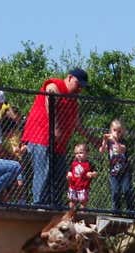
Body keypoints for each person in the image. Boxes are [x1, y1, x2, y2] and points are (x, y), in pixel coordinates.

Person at [22, 68, 90, 207]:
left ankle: (55, 205)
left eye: (82, 87)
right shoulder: (56, 85)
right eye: (78, 84)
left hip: (59, 145)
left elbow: (78, 124)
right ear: (70, 78)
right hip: (42, 138)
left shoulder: (73, 100)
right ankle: (39, 205)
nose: (80, 89)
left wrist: (93, 139)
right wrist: (55, 128)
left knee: (59, 175)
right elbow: (50, 96)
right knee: (44, 173)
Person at [99, 119, 133, 211]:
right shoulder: (109, 142)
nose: (116, 133)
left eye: (119, 131)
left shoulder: (123, 142)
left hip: (125, 172)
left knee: (126, 190)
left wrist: (114, 140)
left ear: (122, 132)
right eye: (114, 130)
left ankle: (131, 211)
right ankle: (116, 211)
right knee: (115, 191)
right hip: (114, 172)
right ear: (110, 130)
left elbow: (120, 149)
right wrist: (105, 140)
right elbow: (101, 151)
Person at [66, 143, 96, 211]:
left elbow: (95, 172)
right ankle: (71, 214)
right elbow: (69, 171)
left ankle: (82, 214)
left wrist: (92, 174)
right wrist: (69, 175)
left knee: (83, 201)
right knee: (72, 201)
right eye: (76, 153)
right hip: (73, 185)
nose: (78, 155)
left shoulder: (89, 164)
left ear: (87, 153)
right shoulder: (73, 162)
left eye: (81, 153)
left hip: (83, 187)